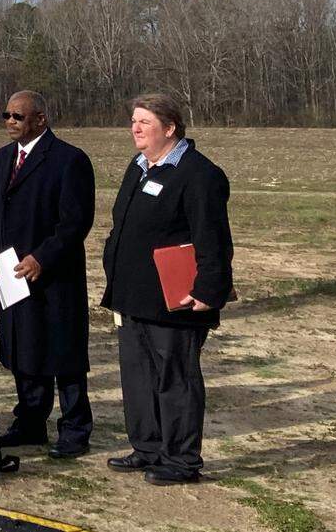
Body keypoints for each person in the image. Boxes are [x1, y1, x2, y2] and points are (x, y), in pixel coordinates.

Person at [101, 93, 233, 486]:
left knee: (176, 379)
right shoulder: (139, 167)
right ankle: (148, 447)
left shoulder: (199, 174)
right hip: (132, 296)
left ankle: (181, 461)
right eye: (133, 120)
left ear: (170, 128)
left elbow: (213, 239)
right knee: (138, 378)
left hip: (175, 301)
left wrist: (209, 289)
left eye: (144, 122)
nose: (134, 128)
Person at [0, 90, 96, 459]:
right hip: (11, 275)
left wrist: (42, 258)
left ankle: (75, 429)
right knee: (23, 348)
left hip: (54, 277)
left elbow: (75, 222)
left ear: (40, 119)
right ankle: (30, 422)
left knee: (63, 353)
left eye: (17, 116)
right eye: (6, 115)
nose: (9, 122)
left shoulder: (68, 160)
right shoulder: (1, 160)